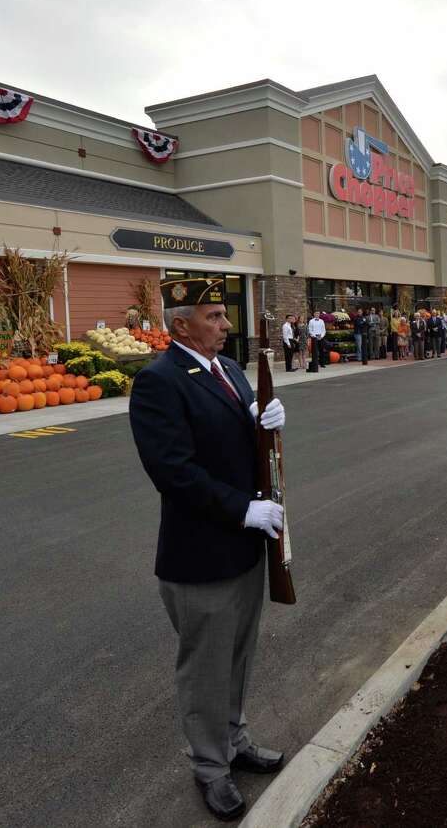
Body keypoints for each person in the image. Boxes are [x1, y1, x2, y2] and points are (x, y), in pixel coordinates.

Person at [129, 277, 288, 821]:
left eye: (224, 315)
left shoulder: (229, 371)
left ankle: (234, 740)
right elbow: (174, 471)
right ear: (181, 326)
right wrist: (242, 509)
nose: (226, 325)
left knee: (238, 656)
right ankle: (210, 767)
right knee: (205, 668)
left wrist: (264, 421)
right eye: (215, 316)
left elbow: (237, 441)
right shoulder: (159, 381)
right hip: (201, 555)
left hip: (242, 549)